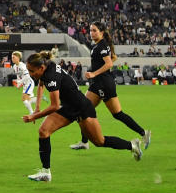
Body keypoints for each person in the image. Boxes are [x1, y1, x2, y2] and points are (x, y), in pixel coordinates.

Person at [22, 50, 142, 182]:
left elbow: (54, 106)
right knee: (44, 131)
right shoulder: (45, 67)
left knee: (99, 141)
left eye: (32, 71)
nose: (31, 75)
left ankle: (132, 145)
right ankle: (46, 172)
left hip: (82, 107)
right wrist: (37, 107)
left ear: (41, 68)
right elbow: (41, 84)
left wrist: (35, 116)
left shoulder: (50, 75)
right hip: (69, 107)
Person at [70, 23, 150, 151]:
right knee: (82, 109)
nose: (92, 33)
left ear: (101, 32)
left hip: (103, 84)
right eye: (90, 30)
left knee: (117, 114)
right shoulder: (98, 45)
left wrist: (93, 73)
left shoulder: (101, 45)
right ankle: (84, 142)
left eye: (94, 30)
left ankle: (143, 133)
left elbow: (108, 64)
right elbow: (113, 58)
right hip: (97, 84)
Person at [10, 51, 37, 115]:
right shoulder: (14, 66)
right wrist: (19, 84)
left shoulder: (22, 66)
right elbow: (18, 76)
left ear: (18, 58)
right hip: (25, 84)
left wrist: (20, 82)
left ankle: (32, 113)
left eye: (13, 57)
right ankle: (39, 98)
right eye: (12, 57)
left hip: (29, 83)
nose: (12, 59)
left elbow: (27, 76)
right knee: (27, 100)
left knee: (24, 99)